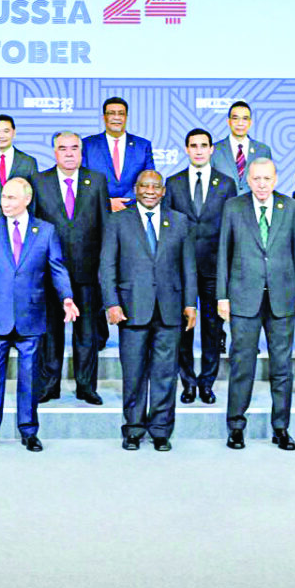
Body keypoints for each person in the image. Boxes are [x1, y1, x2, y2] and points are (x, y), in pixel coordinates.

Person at [0, 178, 78, 452]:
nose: (5, 202)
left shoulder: (45, 231)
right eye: (3, 197)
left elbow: (57, 268)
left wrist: (67, 298)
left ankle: (29, 431)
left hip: (31, 315)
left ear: (27, 200)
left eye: (11, 197)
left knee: (28, 378)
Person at [99, 170, 196, 451]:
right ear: (135, 189)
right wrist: (112, 303)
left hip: (170, 310)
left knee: (165, 373)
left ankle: (161, 430)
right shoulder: (118, 221)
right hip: (131, 309)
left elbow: (188, 267)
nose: (150, 191)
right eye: (144, 186)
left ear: (163, 191)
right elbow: (107, 266)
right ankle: (133, 428)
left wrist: (191, 304)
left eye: (156, 186)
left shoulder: (179, 222)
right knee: (134, 373)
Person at [216, 158, 295, 450]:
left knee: (282, 368)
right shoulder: (234, 207)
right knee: (242, 365)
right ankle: (236, 426)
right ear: (248, 179)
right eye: (256, 179)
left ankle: (281, 427)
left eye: (267, 179)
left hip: (282, 298)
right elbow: (223, 254)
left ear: (276, 179)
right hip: (244, 298)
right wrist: (222, 295)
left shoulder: (291, 208)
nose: (262, 185)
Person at [32, 130, 109, 404]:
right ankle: (49, 385)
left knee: (87, 333)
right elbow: (33, 229)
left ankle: (86, 386)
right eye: (63, 148)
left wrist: (104, 270)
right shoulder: (39, 182)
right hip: (49, 274)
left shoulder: (97, 181)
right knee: (50, 333)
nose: (68, 153)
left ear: (81, 151)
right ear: (54, 152)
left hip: (88, 272)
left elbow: (105, 227)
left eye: (74, 148)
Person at [165, 128, 236, 404]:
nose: (198, 150)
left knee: (212, 326)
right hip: (180, 268)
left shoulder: (227, 183)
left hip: (213, 267)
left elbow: (230, 228)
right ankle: (188, 382)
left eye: (203, 145)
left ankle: (207, 382)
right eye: (193, 145)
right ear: (186, 149)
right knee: (183, 327)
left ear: (211, 149)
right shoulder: (172, 183)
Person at [82, 95, 154, 210]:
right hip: (97, 210)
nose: (117, 117)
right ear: (104, 117)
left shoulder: (143, 145)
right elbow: (82, 179)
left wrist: (125, 203)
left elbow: (148, 178)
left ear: (126, 117)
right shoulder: (87, 145)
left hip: (132, 210)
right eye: (111, 113)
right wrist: (107, 202)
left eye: (121, 113)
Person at [211, 100, 272, 190]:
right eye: (235, 118)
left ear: (250, 122)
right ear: (228, 121)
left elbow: (268, 183)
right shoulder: (214, 150)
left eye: (245, 118)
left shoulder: (263, 151)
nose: (240, 123)